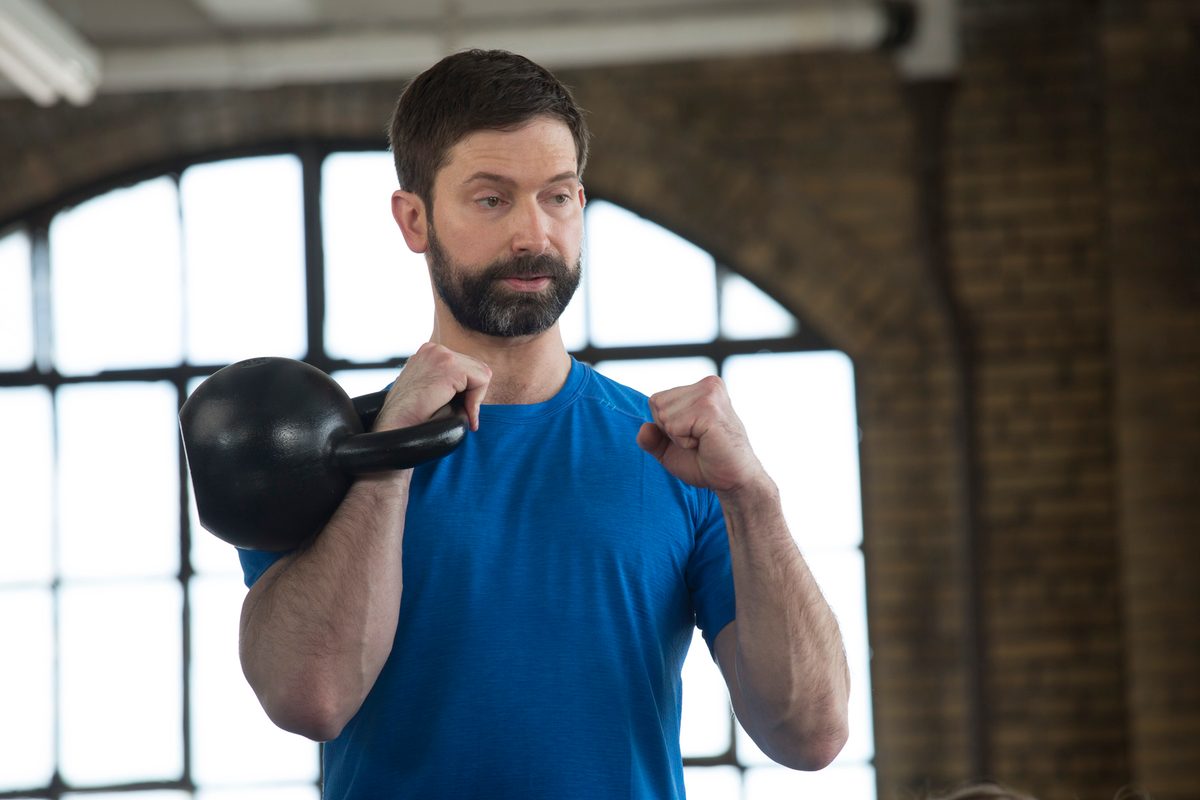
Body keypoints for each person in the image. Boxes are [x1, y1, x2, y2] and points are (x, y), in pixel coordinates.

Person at [235, 48, 850, 798]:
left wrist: (754, 497)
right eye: (492, 200)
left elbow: (812, 733)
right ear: (415, 218)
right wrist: (388, 460)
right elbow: (310, 699)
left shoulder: (675, 457)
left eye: (556, 197)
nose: (534, 234)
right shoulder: (332, 453)